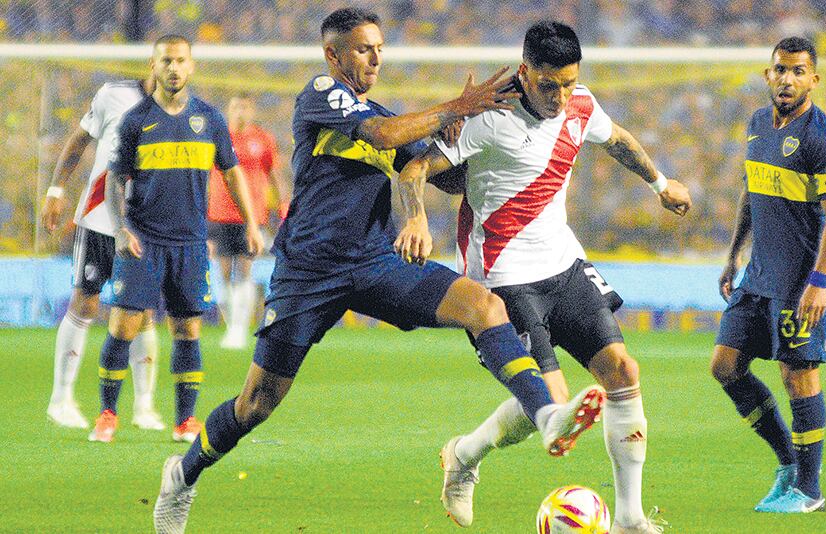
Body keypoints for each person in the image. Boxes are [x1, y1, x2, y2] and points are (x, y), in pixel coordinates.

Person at [153, 9, 606, 534]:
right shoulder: (322, 93)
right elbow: (386, 134)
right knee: (256, 404)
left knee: (485, 306)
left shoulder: (389, 113)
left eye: (379, 49)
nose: (374, 58)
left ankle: (546, 417)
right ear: (334, 55)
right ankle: (182, 476)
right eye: (364, 48)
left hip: (375, 263)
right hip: (309, 271)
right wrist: (456, 105)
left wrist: (461, 133)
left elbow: (446, 180)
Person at [394, 20, 691, 534]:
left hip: (564, 264)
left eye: (569, 83)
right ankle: (464, 454)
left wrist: (660, 183)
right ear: (526, 73)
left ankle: (629, 519)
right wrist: (416, 217)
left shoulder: (580, 104)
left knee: (623, 371)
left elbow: (616, 139)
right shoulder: (489, 117)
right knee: (552, 411)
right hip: (504, 279)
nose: (560, 96)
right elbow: (415, 169)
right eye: (549, 84)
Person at [87, 35, 264, 444]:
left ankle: (185, 420)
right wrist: (120, 228)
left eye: (181, 61)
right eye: (166, 60)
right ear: (154, 65)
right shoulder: (136, 121)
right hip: (143, 240)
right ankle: (107, 414)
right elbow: (116, 178)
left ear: (191, 66)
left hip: (190, 242)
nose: (174, 68)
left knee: (187, 329)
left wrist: (251, 223)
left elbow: (232, 171)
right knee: (123, 325)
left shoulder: (210, 119)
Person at [711, 36, 826, 514]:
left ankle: (809, 491)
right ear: (768, 74)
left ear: (814, 79)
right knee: (725, 366)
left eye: (798, 71)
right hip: (757, 275)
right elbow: (752, 192)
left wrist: (820, 282)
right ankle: (788, 463)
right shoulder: (756, 124)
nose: (787, 79)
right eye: (780, 70)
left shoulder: (822, 139)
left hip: (799, 280)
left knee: (799, 377)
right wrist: (733, 255)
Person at [41, 75, 164, 431]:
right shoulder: (114, 94)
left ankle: (144, 407)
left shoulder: (178, 112)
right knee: (85, 303)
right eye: (163, 59)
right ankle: (60, 399)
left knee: (142, 313)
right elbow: (80, 139)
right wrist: (56, 189)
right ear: (151, 62)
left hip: (144, 224)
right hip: (99, 217)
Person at [207, 94, 290, 350]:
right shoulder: (217, 138)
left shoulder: (262, 139)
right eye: (235, 107)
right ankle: (232, 325)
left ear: (252, 111)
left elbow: (275, 174)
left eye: (244, 107)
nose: (239, 112)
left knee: (244, 270)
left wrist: (284, 205)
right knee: (221, 273)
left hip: (251, 216)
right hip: (219, 213)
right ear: (228, 110)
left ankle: (240, 329)